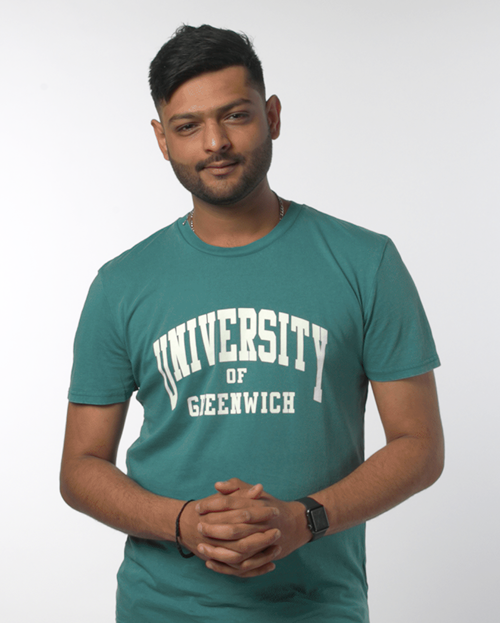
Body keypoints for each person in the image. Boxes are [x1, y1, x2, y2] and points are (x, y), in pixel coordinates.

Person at [60, 24, 444, 623]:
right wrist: (184, 523)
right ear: (162, 140)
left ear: (272, 116)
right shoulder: (121, 284)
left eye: (235, 115)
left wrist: (306, 518)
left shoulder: (366, 262)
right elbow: (80, 468)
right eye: (188, 126)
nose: (214, 142)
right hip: (161, 607)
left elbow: (420, 446)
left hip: (317, 607)